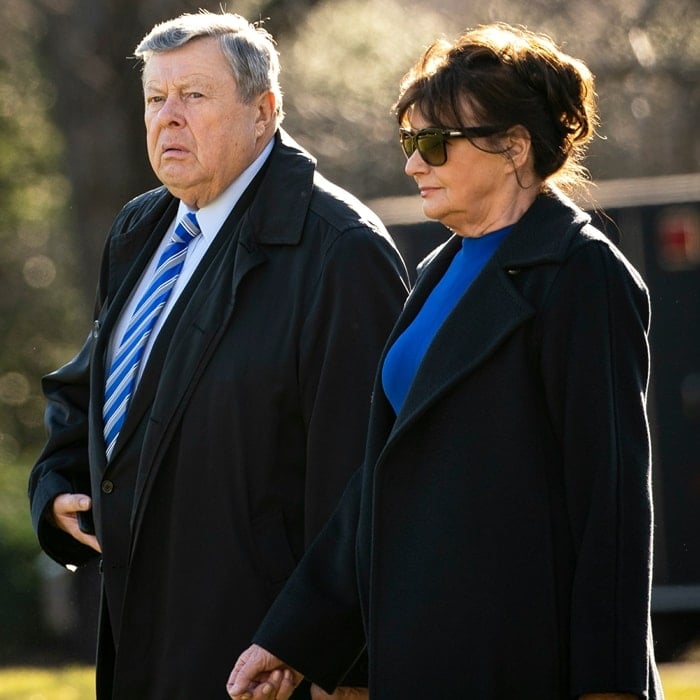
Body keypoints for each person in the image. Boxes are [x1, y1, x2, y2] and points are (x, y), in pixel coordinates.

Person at [226, 22, 665, 700]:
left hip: (523, 660)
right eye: (408, 142)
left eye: (432, 143)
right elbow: (381, 479)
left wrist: (608, 686)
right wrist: (295, 636)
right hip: (419, 652)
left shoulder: (583, 274)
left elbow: (610, 505)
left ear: (514, 148)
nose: (411, 164)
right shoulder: (437, 268)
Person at [28, 11, 409, 699]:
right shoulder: (140, 226)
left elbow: (364, 484)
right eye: (154, 99)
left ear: (264, 113)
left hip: (264, 664)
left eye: (194, 97)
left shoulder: (341, 251)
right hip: (142, 643)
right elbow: (93, 390)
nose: (167, 118)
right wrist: (54, 486)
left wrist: (311, 646)